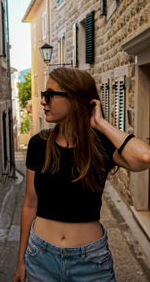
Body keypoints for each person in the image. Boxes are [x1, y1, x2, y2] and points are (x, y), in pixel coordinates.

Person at [13, 67, 150, 282]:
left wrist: (102, 124)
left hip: (91, 262)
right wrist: (21, 260)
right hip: (40, 257)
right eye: (43, 95)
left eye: (49, 95)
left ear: (74, 98)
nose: (42, 101)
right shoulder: (38, 144)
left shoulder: (101, 146)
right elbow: (30, 204)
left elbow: (144, 157)